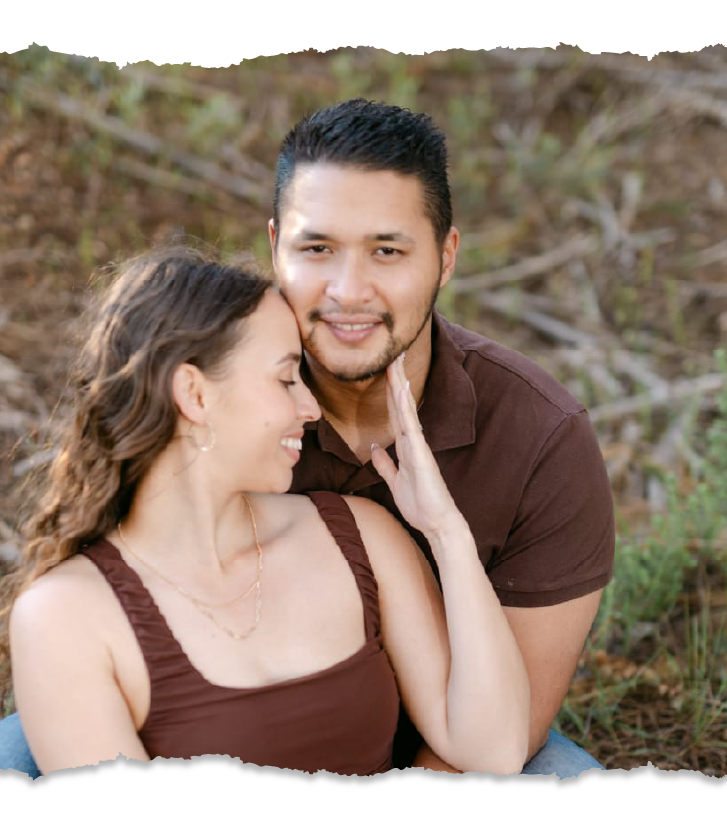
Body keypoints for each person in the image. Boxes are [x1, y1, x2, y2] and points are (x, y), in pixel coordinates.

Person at [0, 247, 530, 777]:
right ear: (194, 394)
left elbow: (492, 753)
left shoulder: (359, 537)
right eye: (285, 380)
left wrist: (445, 532)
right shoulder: (66, 616)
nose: (311, 408)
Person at [268, 99, 614, 775]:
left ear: (445, 256)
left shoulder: (541, 439)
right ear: (274, 245)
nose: (347, 290)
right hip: (242, 743)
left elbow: (496, 746)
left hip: (453, 748)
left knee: (566, 783)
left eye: (387, 251)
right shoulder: (210, 394)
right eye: (316, 249)